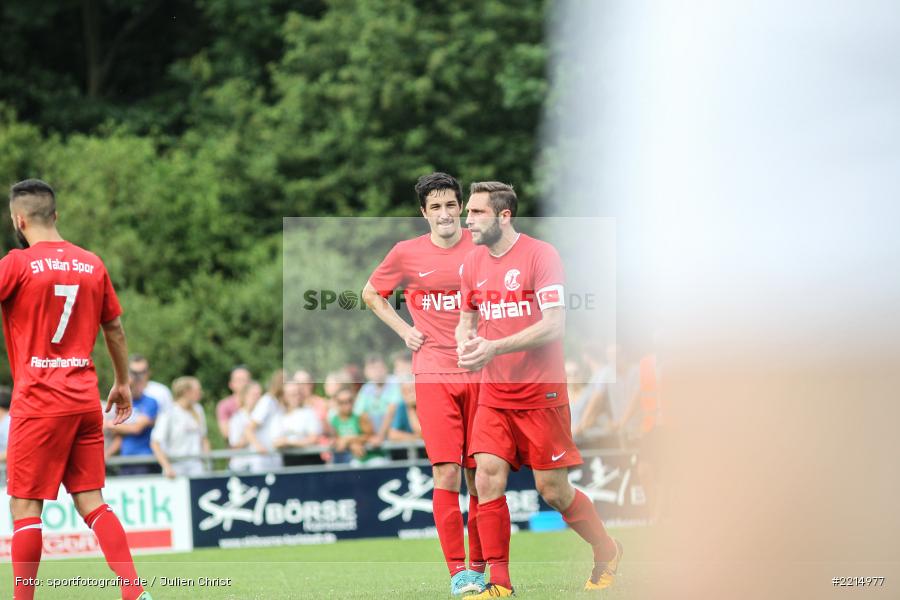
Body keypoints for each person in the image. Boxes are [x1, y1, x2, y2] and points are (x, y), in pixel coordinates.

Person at [457, 182, 622, 597]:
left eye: (477, 213)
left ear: (504, 215)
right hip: (495, 395)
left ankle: (606, 548)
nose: (467, 220)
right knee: (487, 477)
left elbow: (554, 324)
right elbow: (466, 317)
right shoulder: (472, 264)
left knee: (553, 491)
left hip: (540, 396)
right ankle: (499, 584)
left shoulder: (540, 255)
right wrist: (466, 342)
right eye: (468, 212)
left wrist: (493, 345)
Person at [1, 180, 151, 600]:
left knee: (25, 508)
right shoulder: (92, 263)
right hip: (85, 399)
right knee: (91, 501)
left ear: (19, 219)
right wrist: (121, 382)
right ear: (56, 216)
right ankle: (134, 592)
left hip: (38, 401)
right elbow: (115, 329)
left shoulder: (15, 264)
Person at [361, 172, 484, 596]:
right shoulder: (406, 253)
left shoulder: (483, 245)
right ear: (424, 213)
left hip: (481, 372)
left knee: (482, 474)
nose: (445, 213)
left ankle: (482, 566)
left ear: (461, 207)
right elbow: (371, 293)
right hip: (432, 373)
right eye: (436, 207)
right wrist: (404, 330)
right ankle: (459, 573)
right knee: (447, 472)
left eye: (451, 204)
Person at [104, 362, 160, 475]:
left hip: (145, 458)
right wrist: (106, 455)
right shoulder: (122, 403)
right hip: (126, 458)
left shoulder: (150, 402)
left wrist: (112, 425)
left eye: (132, 386)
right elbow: (119, 436)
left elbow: (136, 428)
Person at [150, 376, 210, 477]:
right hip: (175, 466)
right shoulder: (169, 412)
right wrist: (167, 467)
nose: (200, 393)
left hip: (196, 465)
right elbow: (155, 443)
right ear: (186, 392)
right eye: (197, 390)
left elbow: (203, 438)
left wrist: (207, 463)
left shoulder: (198, 409)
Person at [274, 380, 324, 466]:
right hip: (289, 461)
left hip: (310, 461)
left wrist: (288, 442)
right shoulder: (279, 415)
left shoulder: (309, 412)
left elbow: (313, 438)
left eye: (298, 393)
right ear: (285, 396)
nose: (297, 397)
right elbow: (276, 442)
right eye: (293, 394)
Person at [244, 369, 285, 471]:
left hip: (274, 458)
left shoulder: (278, 403)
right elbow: (248, 429)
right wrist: (259, 447)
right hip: (262, 461)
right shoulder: (267, 401)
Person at [329, 386, 376, 465]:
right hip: (346, 459)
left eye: (350, 401)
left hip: (366, 458)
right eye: (342, 402)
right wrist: (351, 445)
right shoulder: (334, 420)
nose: (347, 405)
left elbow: (370, 436)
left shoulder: (361, 416)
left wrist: (348, 440)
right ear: (336, 403)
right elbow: (336, 442)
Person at [228, 380, 262, 472]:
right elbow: (235, 445)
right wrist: (250, 433)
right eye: (254, 395)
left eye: (259, 395)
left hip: (259, 465)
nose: (258, 398)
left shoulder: (262, 416)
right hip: (242, 466)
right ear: (245, 396)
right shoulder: (237, 418)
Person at [216, 364, 251, 439]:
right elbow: (226, 433)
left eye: (245, 380)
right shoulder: (224, 405)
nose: (242, 383)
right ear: (231, 384)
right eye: (238, 380)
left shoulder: (259, 403)